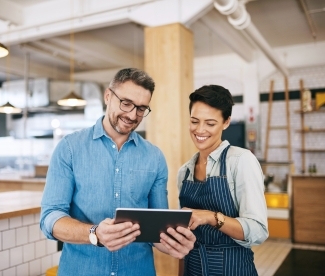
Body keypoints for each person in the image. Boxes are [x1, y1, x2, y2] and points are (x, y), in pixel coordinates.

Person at [40, 68, 195, 276]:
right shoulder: (69, 148)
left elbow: (156, 231)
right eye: (126, 103)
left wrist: (175, 244)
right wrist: (94, 233)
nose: (132, 115)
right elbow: (50, 218)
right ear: (107, 96)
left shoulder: (154, 157)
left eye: (141, 108)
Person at [177, 85, 268, 276]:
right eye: (194, 121)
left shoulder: (241, 161)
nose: (200, 130)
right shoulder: (184, 172)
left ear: (226, 122)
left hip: (233, 268)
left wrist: (211, 217)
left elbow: (258, 231)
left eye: (210, 123)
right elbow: (183, 237)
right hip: (191, 268)